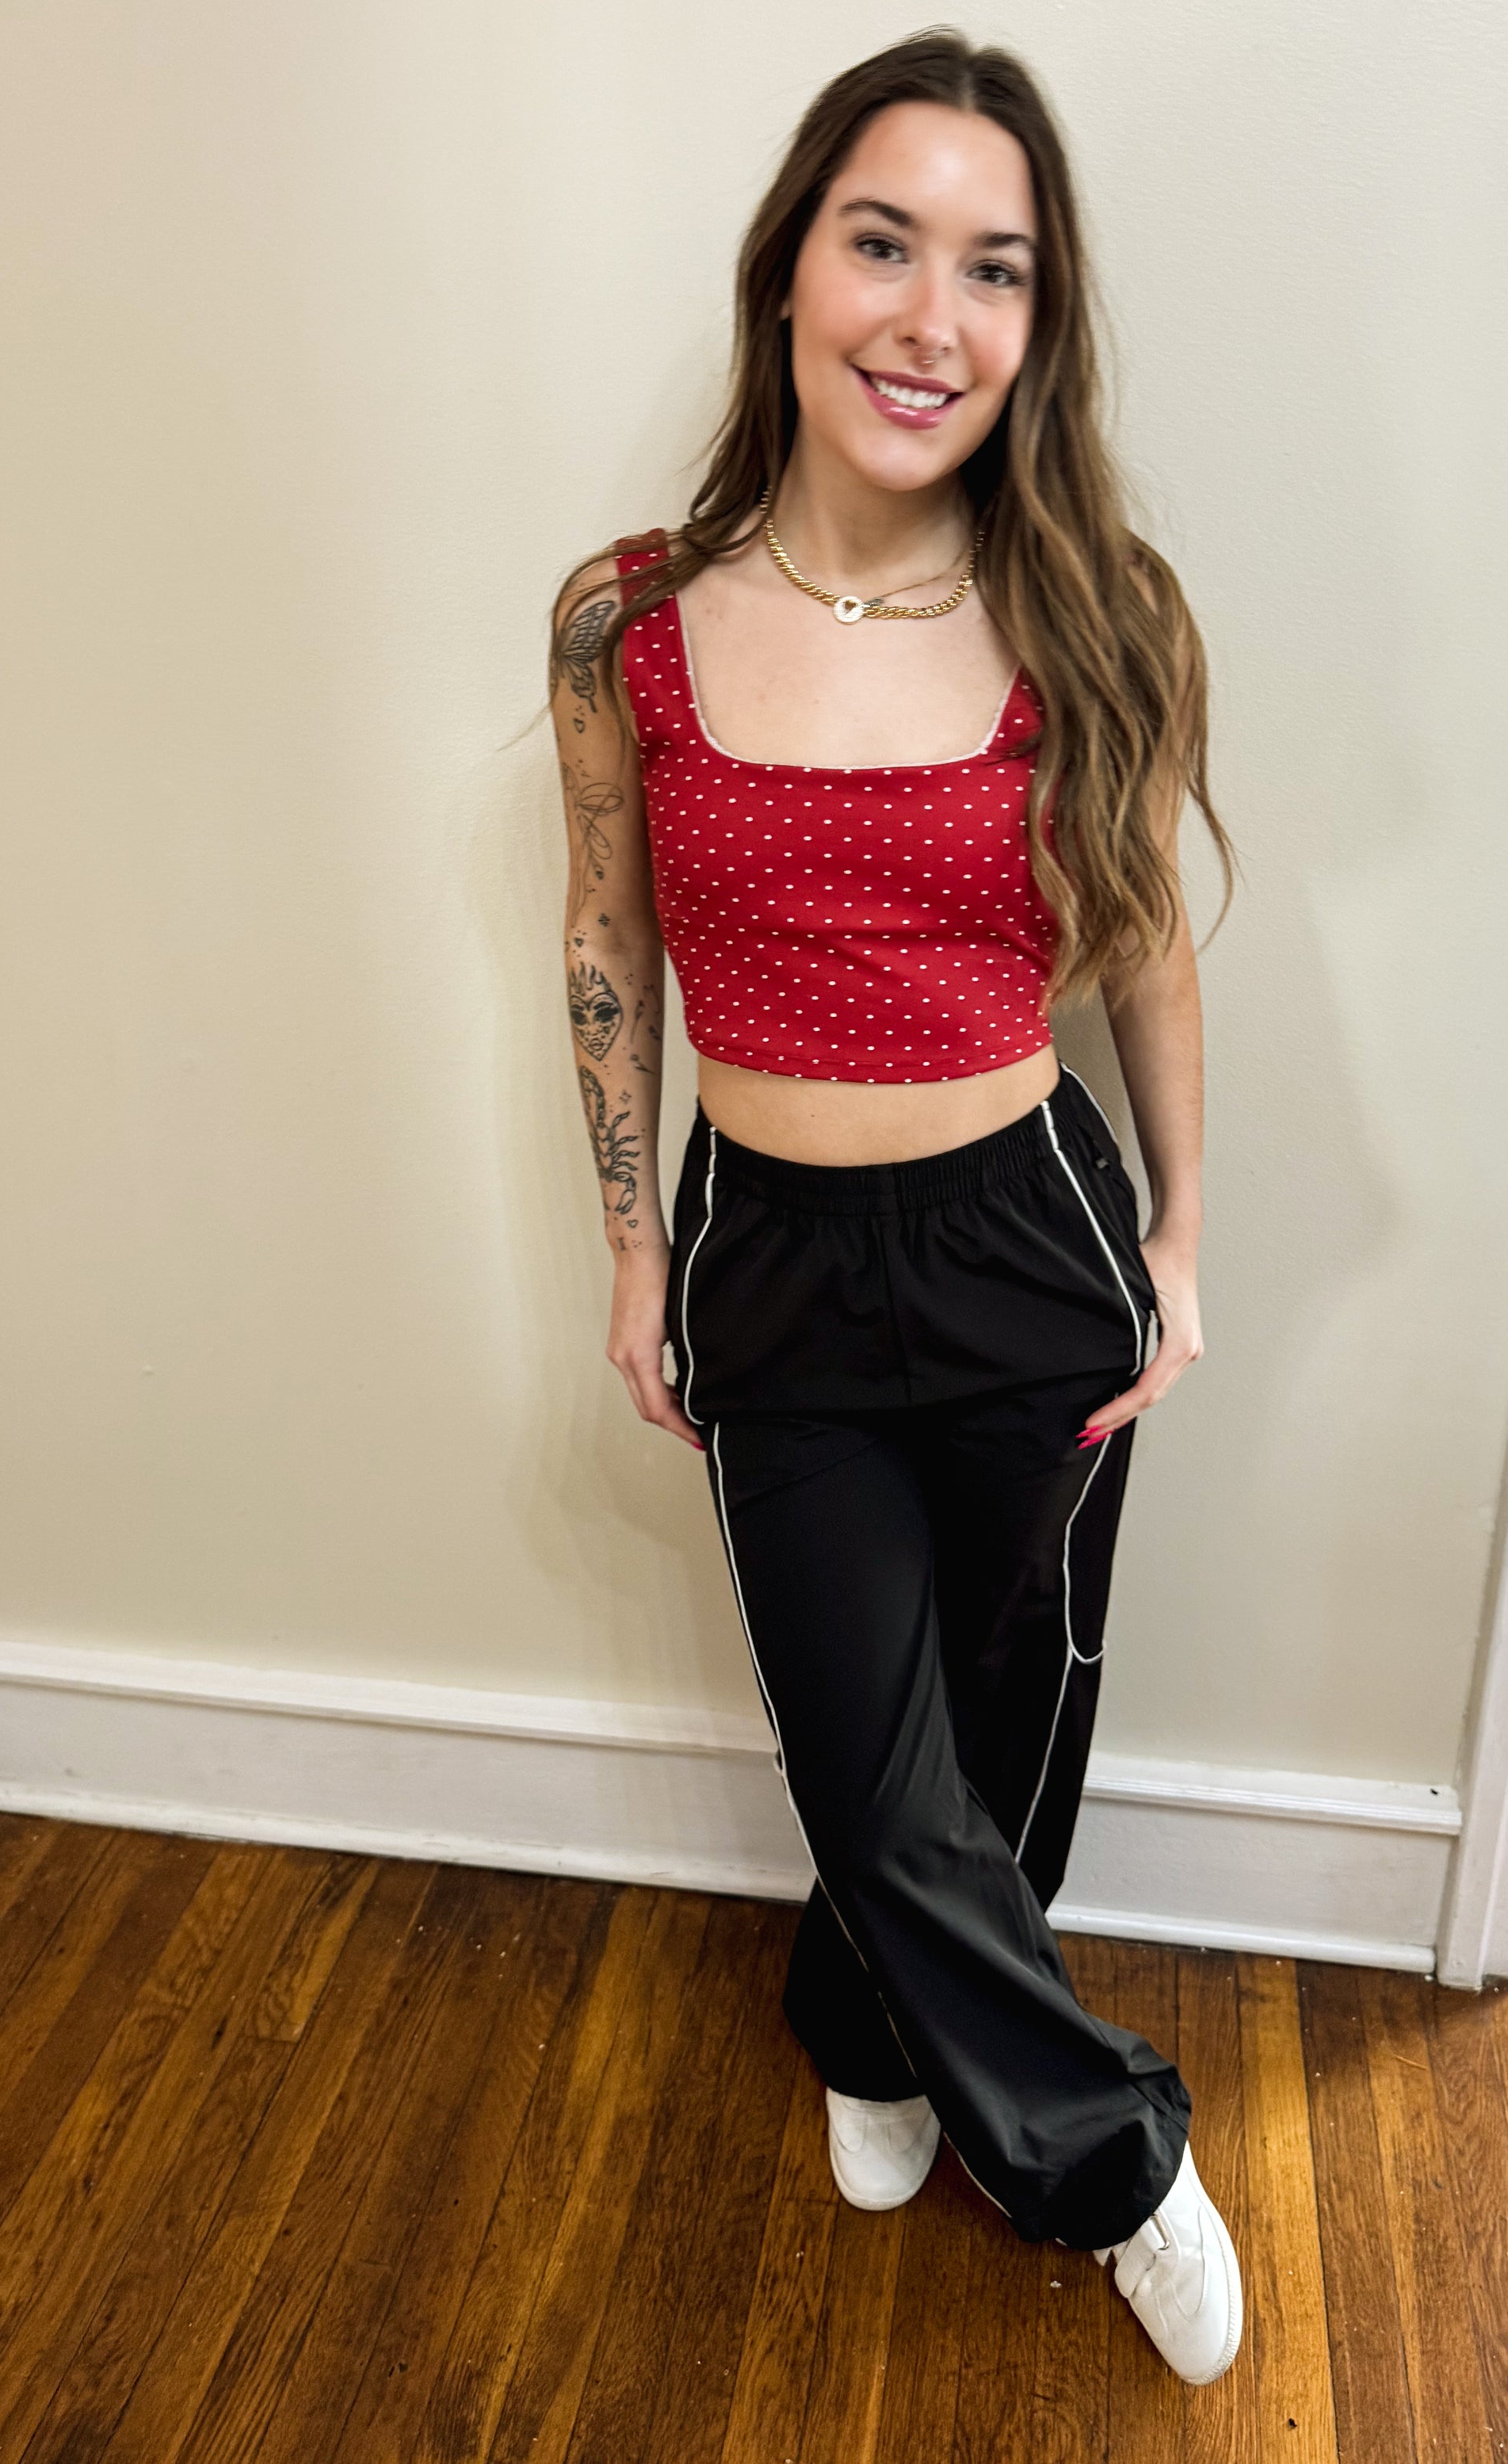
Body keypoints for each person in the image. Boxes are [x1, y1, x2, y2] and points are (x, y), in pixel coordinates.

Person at [548, 31, 1242, 2387]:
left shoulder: (1095, 606)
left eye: (996, 268)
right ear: (790, 270)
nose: (932, 316)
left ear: (1039, 323)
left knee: (1006, 1724)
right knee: (863, 1750)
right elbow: (603, 934)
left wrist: (1178, 1238)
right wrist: (632, 1244)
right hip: (769, 1245)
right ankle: (1115, 2161)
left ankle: (874, 2021)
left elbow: (1141, 941)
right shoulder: (627, 617)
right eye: (883, 241)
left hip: (1029, 1235)